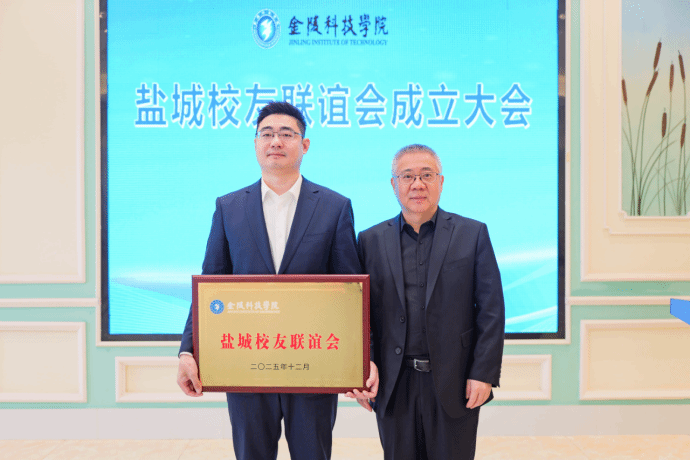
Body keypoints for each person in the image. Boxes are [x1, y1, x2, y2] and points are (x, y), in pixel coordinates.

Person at [177, 101, 376, 460]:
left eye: (287, 134)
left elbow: (351, 291)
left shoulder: (334, 207)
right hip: (246, 362)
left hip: (313, 363)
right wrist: (187, 350)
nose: (276, 141)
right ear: (255, 144)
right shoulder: (229, 207)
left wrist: (364, 359)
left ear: (305, 144)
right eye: (266, 134)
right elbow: (210, 283)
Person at [354, 144, 505, 460]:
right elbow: (360, 314)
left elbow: (491, 310)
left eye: (426, 175)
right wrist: (361, 369)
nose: (417, 184)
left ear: (441, 181)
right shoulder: (370, 240)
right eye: (407, 176)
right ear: (394, 184)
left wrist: (483, 373)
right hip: (394, 383)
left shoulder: (472, 233)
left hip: (455, 380)